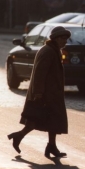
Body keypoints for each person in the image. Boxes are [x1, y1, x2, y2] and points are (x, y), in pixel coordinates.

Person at [8, 26, 71, 159]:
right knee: (36, 119)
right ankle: (18, 136)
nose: (65, 41)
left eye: (66, 39)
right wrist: (38, 93)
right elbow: (39, 74)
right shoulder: (48, 51)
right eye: (63, 38)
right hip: (46, 93)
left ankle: (51, 146)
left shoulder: (54, 50)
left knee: (53, 120)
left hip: (52, 92)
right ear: (56, 39)